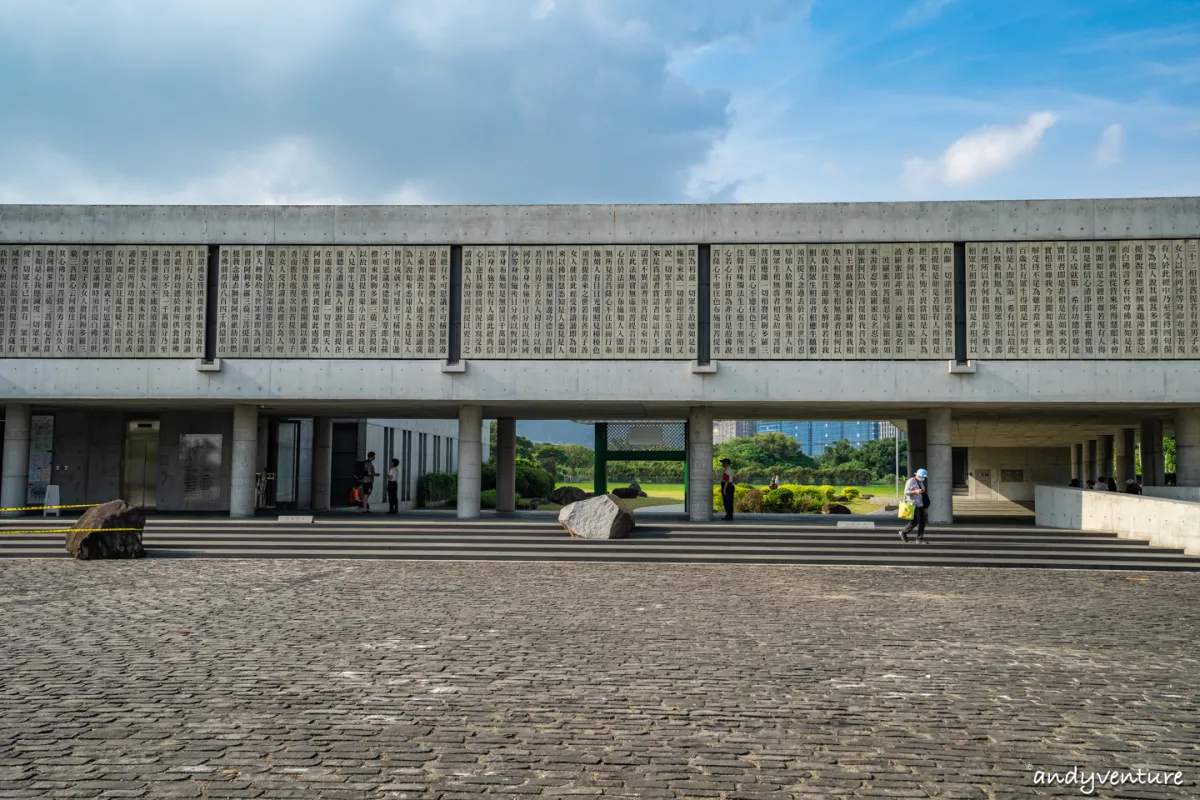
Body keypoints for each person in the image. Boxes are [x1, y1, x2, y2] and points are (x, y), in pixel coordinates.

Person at [899, 468, 930, 544]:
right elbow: (906, 492)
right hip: (913, 504)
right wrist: (915, 491)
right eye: (922, 477)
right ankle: (903, 531)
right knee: (916, 520)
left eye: (924, 477)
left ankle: (919, 539)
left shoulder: (921, 483)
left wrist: (925, 506)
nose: (923, 478)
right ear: (918, 475)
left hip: (921, 504)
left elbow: (922, 494)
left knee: (922, 522)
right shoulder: (911, 481)